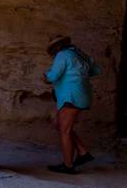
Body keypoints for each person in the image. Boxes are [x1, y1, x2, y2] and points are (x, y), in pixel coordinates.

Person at [42, 35, 100, 174]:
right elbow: (96, 70)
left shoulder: (62, 55)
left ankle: (68, 165)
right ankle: (82, 152)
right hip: (81, 94)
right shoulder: (79, 54)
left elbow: (53, 76)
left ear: (56, 47)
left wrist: (45, 77)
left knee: (65, 131)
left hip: (71, 97)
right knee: (59, 124)